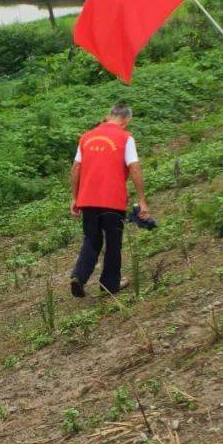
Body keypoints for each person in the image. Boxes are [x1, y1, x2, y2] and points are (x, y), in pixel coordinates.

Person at [69, 103, 150, 298]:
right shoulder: (125, 138)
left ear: (108, 116)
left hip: (87, 198)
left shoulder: (86, 138)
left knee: (92, 238)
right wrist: (142, 200)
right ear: (126, 120)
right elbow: (134, 167)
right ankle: (109, 284)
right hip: (112, 199)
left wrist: (74, 197)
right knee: (113, 242)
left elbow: (76, 168)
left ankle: (78, 276)